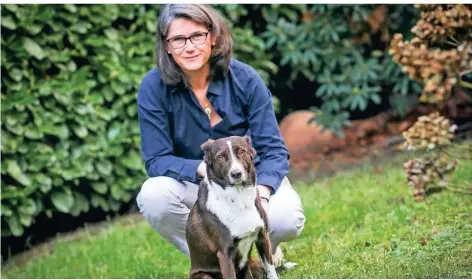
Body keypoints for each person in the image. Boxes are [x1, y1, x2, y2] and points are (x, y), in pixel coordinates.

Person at [136, 4, 305, 266]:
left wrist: (260, 195)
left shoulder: (246, 78)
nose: (189, 47)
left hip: (251, 182)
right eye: (178, 39)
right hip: (200, 187)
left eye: (197, 36)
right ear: (166, 46)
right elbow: (156, 160)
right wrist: (202, 170)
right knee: (153, 195)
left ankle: (261, 252)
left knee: (287, 219)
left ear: (213, 37)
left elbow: (273, 150)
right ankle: (216, 263)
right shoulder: (152, 87)